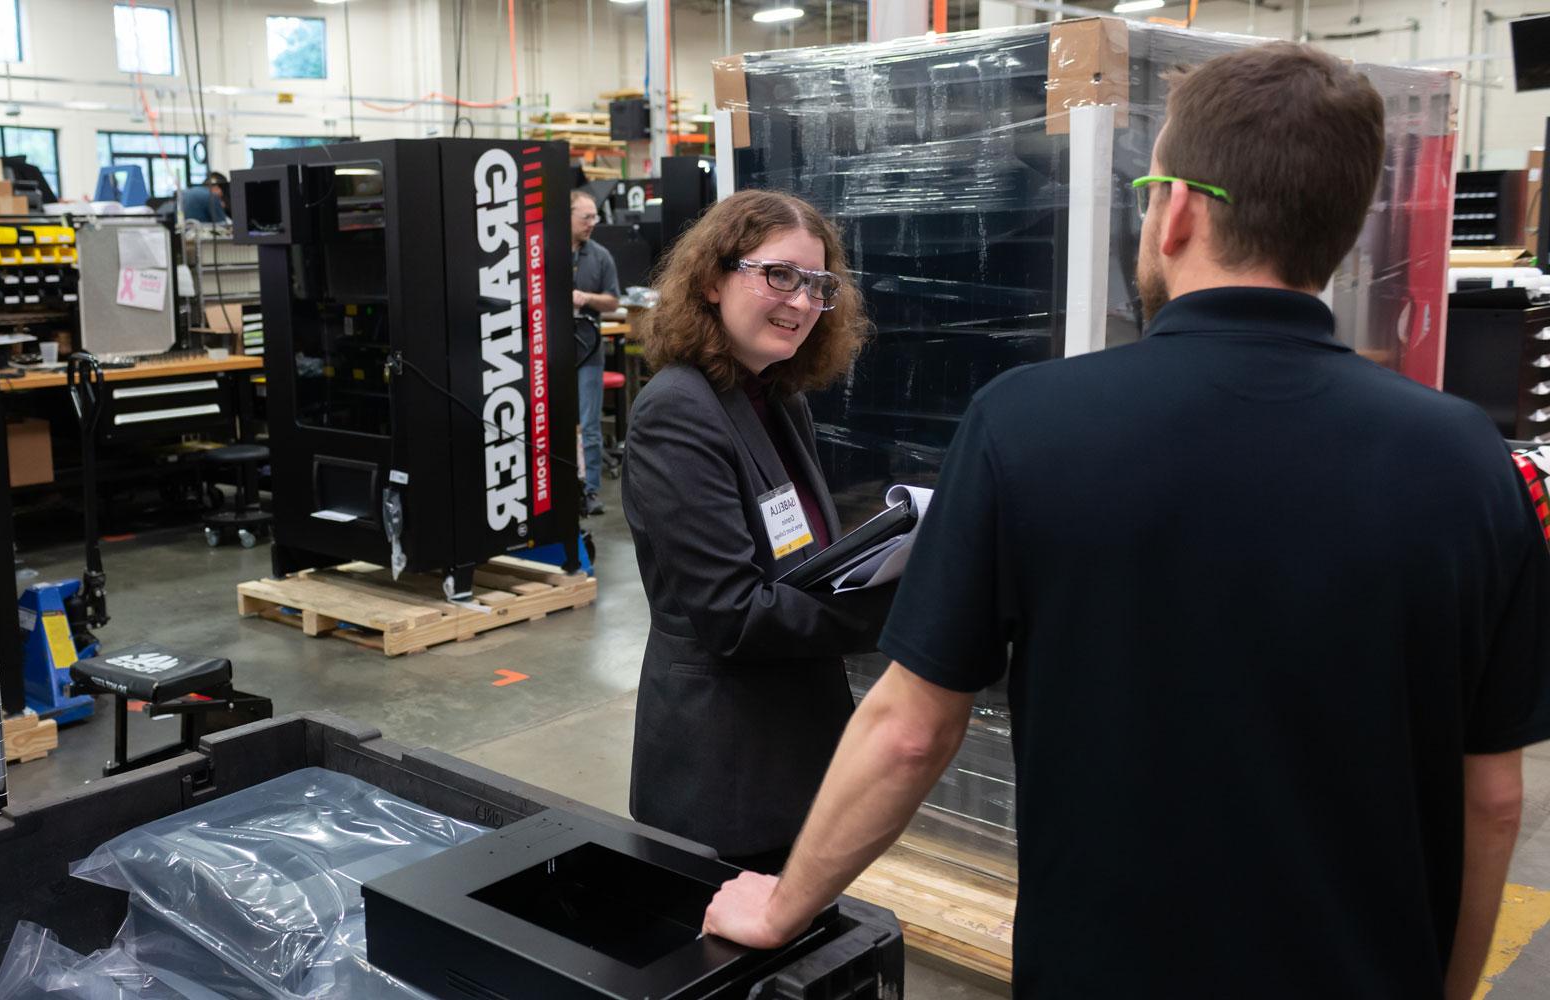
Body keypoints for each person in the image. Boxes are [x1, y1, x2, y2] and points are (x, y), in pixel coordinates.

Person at [700, 42, 1550, 998]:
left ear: (1176, 207)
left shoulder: (1027, 424)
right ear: (1339, 232)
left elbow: (907, 731)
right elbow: (1493, 798)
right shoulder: (1470, 461)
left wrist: (780, 904)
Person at [624, 189, 889, 873]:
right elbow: (733, 614)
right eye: (779, 275)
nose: (801, 302)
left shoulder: (774, 396)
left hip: (797, 737)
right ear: (712, 280)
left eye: (817, 284)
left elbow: (798, 560)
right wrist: (889, 608)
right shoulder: (678, 411)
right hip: (726, 766)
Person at [571, 190, 621, 515]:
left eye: (595, 217)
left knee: (589, 424)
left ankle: (589, 491)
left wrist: (585, 298)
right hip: (550, 353)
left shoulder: (600, 256)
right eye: (586, 217)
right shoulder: (541, 252)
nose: (592, 223)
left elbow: (613, 301)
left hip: (588, 351)